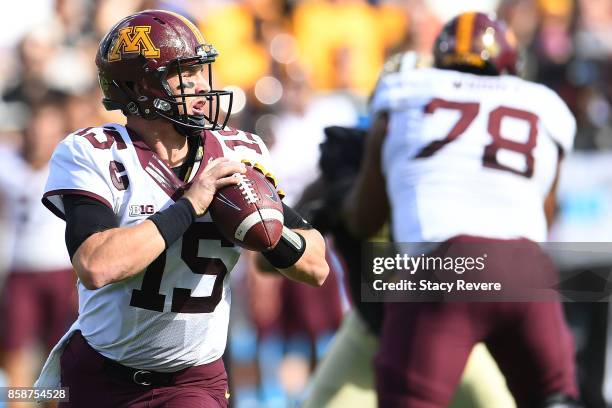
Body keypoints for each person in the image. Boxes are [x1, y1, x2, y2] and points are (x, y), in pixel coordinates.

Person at [34, 9, 328, 408]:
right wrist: (190, 206)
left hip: (192, 379)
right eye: (182, 74)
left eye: (198, 72)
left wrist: (265, 229)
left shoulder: (236, 153)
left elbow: (316, 267)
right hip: (101, 374)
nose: (199, 86)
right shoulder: (93, 151)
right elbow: (96, 265)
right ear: (140, 88)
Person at [343, 12, 581, 408]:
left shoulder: (404, 90)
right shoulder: (543, 103)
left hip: (445, 265)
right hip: (527, 269)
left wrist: (338, 200)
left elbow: (365, 217)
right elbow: (546, 216)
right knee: (556, 398)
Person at [0, 97, 76, 408]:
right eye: (37, 128)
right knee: (14, 350)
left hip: (62, 270)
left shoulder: (70, 165)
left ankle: (52, 405)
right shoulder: (7, 162)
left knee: (57, 355)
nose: (42, 136)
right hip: (20, 268)